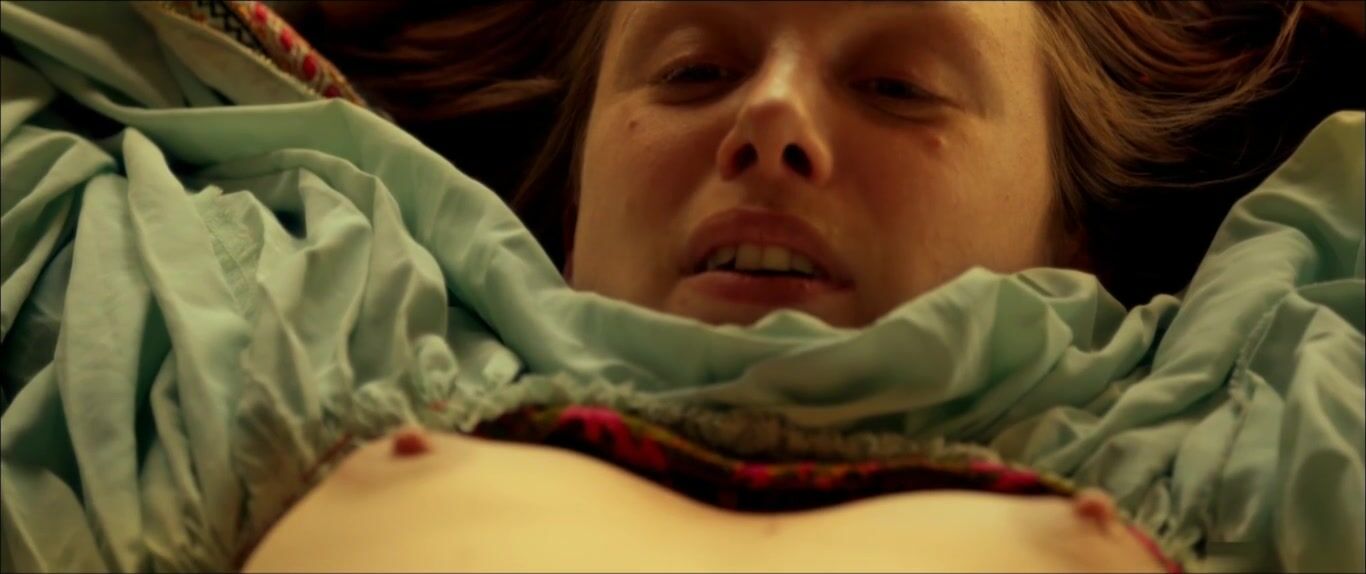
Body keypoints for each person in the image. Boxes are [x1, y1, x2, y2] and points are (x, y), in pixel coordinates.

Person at [240, 1, 1362, 572]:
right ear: (574, 188)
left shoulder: (1272, 410)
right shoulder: (285, 311)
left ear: (1075, 231)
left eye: (898, 87)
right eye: (693, 72)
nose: (771, 117)